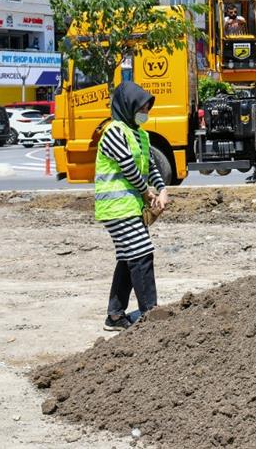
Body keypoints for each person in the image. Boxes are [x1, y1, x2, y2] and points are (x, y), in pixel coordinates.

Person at [95, 81, 168, 331]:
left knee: (129, 255)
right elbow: (129, 167)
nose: (145, 113)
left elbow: (151, 167)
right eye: (142, 107)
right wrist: (147, 192)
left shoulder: (142, 135)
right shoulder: (114, 130)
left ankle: (115, 315)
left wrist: (163, 190)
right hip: (116, 207)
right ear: (128, 105)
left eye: (147, 108)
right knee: (142, 252)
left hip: (130, 206)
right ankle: (151, 313)